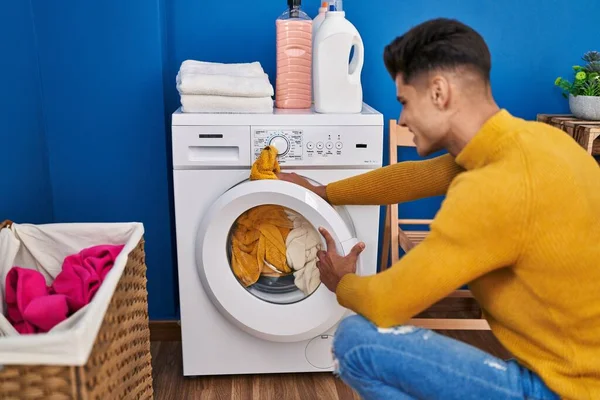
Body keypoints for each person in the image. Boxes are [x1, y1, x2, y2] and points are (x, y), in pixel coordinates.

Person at [278, 18, 600, 400]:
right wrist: (324, 191)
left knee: (356, 342)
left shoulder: (492, 188)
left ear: (439, 92)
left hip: (565, 390)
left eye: (404, 102)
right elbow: (413, 178)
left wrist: (341, 281)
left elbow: (386, 304)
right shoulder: (538, 142)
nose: (401, 120)